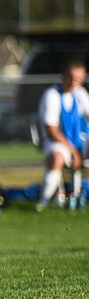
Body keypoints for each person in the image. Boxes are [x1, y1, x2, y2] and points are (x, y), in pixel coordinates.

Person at [37, 59, 89, 211]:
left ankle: (79, 195)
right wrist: (74, 152)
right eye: (71, 77)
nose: (74, 81)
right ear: (63, 75)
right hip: (57, 142)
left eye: (79, 79)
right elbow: (52, 130)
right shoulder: (52, 95)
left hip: (79, 141)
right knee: (57, 158)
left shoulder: (81, 94)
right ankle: (43, 202)